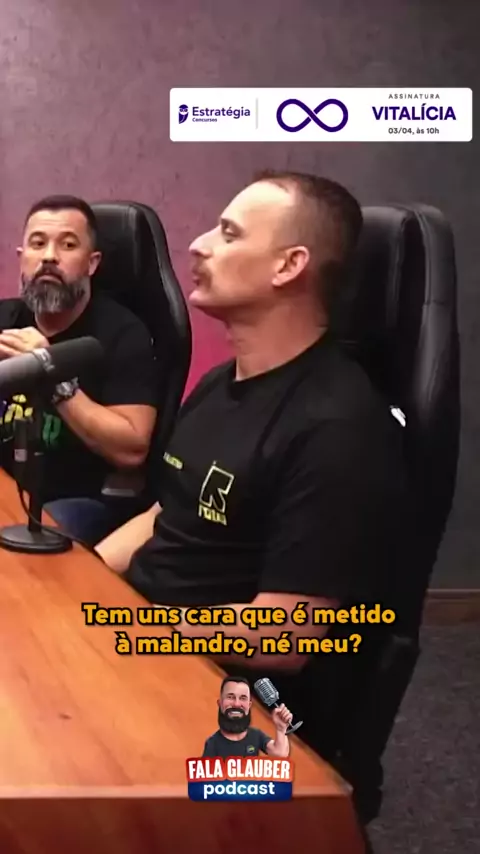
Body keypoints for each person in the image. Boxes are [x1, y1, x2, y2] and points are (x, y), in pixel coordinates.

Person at [96, 171, 410, 806]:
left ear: (290, 266)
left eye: (229, 233)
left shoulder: (337, 427)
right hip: (151, 646)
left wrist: (129, 630)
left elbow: (285, 635)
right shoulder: (220, 383)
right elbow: (167, 512)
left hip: (226, 698)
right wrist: (83, 586)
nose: (199, 245)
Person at [0, 195, 158, 544]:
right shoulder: (4, 320)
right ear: (21, 258)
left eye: (68, 245)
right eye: (37, 244)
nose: (49, 256)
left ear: (92, 263)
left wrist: (50, 372)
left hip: (76, 499)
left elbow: (132, 448)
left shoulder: (123, 333)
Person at [202, 676, 292, 758]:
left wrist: (281, 729)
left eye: (243, 698)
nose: (236, 704)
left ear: (249, 705)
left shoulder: (256, 735)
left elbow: (280, 754)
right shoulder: (212, 743)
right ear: (220, 703)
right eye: (230, 697)